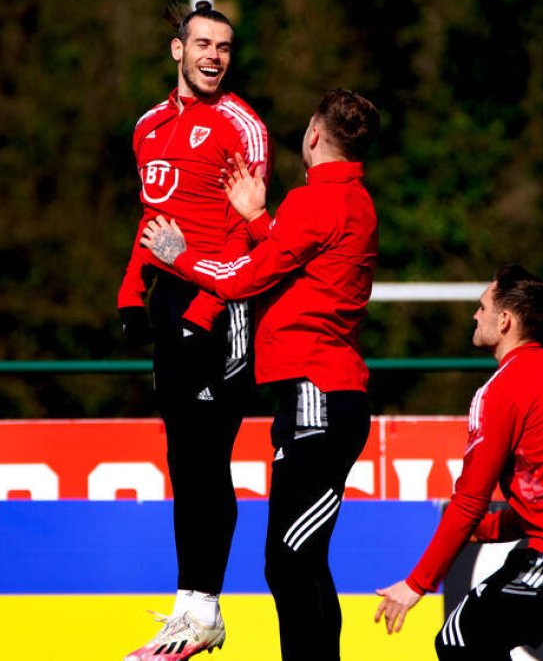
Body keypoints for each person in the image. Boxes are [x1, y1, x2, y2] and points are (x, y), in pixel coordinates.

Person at [140, 88, 381, 661]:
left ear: (314, 136)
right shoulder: (348, 201)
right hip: (314, 398)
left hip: (318, 397)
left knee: (291, 561)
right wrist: (257, 217)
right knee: (300, 561)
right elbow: (293, 265)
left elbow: (249, 279)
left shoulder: (315, 201)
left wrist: (179, 257)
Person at [373, 265, 543, 660]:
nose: (474, 315)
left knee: (461, 637)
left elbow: (468, 501)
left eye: (482, 307)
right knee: (471, 636)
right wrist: (483, 529)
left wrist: (416, 584)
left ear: (504, 320)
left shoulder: (500, 390)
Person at [118, 0, 269, 661]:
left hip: (219, 308)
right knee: (185, 459)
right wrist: (130, 293)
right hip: (168, 307)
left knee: (209, 456)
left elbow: (249, 234)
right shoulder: (147, 127)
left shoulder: (243, 126)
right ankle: (188, 605)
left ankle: (206, 606)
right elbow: (151, 221)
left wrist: (206, 311)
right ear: (176, 49)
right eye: (203, 43)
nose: (214, 55)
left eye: (225, 47)